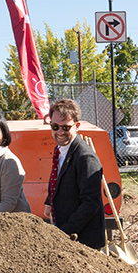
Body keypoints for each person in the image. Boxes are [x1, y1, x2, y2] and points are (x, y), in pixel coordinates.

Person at [43, 99, 106, 250]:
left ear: (77, 126)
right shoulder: (59, 149)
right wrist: (49, 200)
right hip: (67, 232)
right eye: (55, 126)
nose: (60, 132)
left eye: (66, 127)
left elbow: (91, 202)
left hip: (83, 240)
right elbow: (58, 177)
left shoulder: (85, 158)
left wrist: (65, 232)